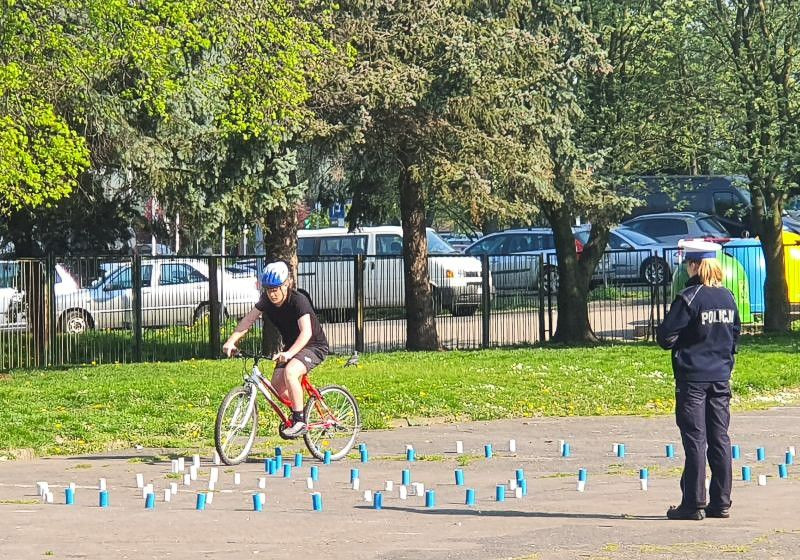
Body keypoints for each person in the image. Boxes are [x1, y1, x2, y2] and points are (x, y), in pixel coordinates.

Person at [656, 240, 741, 520]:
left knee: (695, 439)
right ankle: (721, 502)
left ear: (694, 265)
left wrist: (686, 343)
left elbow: (665, 337)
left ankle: (693, 503)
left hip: (693, 378)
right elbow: (735, 338)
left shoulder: (689, 297)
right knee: (720, 439)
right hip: (720, 377)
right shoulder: (728, 297)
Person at [223, 260, 329, 437]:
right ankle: (301, 408)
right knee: (277, 386)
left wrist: (288, 354)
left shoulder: (298, 301)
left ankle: (300, 420)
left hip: (313, 345)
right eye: (268, 289)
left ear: (286, 284)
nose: (272, 294)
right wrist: (232, 340)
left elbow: (306, 332)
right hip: (291, 348)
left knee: (291, 372)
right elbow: (248, 320)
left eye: (275, 289)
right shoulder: (266, 301)